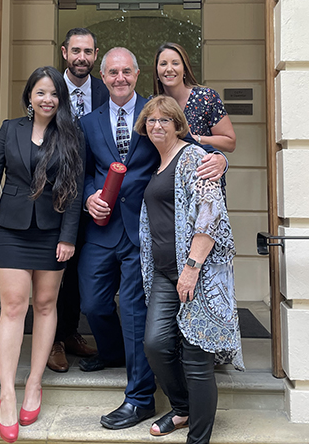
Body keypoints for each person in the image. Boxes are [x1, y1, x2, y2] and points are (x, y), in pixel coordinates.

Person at [78, 47, 228, 430]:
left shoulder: (155, 112)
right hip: (102, 228)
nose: (120, 78)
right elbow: (86, 171)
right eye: (112, 72)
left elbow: (192, 148)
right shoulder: (89, 121)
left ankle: (139, 398)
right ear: (103, 74)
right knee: (93, 305)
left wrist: (221, 159)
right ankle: (114, 354)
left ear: (137, 72)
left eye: (127, 71)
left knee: (134, 315)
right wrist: (90, 195)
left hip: (143, 236)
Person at [0, 67, 84, 444]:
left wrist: (68, 236)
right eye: (40, 92)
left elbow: (75, 190)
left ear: (60, 99)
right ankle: (8, 394)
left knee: (46, 304)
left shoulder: (71, 134)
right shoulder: (9, 129)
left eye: (54, 94)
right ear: (29, 95)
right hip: (13, 229)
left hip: (53, 232)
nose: (47, 99)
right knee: (14, 306)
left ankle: (34, 384)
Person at [135, 96, 243, 444]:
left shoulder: (194, 157)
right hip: (165, 273)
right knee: (155, 344)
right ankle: (181, 408)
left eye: (165, 120)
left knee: (196, 359)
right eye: (151, 120)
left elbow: (210, 212)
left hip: (197, 273)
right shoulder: (159, 162)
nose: (157, 126)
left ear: (179, 124)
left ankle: (199, 438)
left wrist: (193, 267)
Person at [45, 28, 109, 372]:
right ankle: (52, 340)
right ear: (65, 52)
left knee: (80, 272)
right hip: (54, 198)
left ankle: (69, 333)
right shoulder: (50, 89)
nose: (82, 57)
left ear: (95, 54)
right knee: (55, 269)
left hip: (96, 197)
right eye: (76, 51)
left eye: (88, 51)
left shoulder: (105, 91)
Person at [153, 42, 236, 153]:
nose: (169, 69)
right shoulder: (152, 104)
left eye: (175, 63)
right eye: (163, 64)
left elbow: (230, 143)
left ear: (185, 69)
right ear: (157, 72)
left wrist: (196, 139)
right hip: (163, 169)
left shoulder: (207, 98)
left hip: (200, 168)